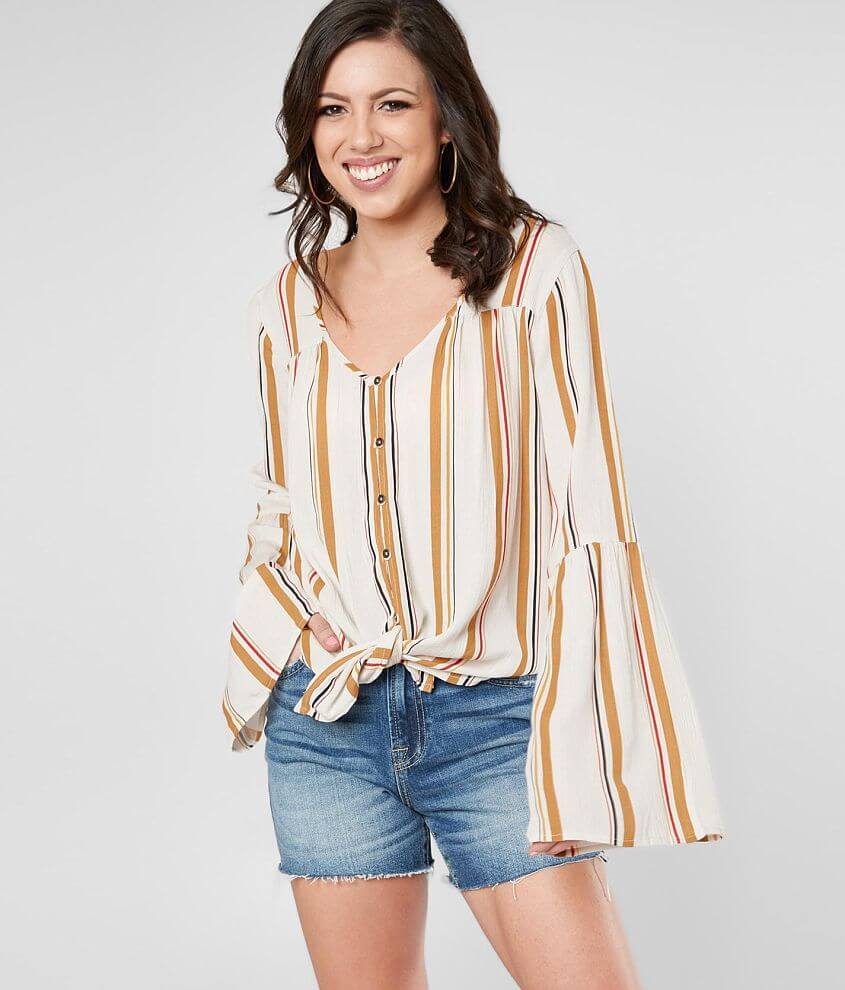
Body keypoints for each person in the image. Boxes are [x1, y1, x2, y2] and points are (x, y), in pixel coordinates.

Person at [221, 1, 725, 986]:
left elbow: (588, 509)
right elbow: (278, 507)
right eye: (332, 109)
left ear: (445, 117)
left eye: (392, 104)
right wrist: (286, 620)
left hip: (495, 719)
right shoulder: (285, 301)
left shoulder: (532, 268)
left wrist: (577, 744)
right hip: (327, 722)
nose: (360, 137)